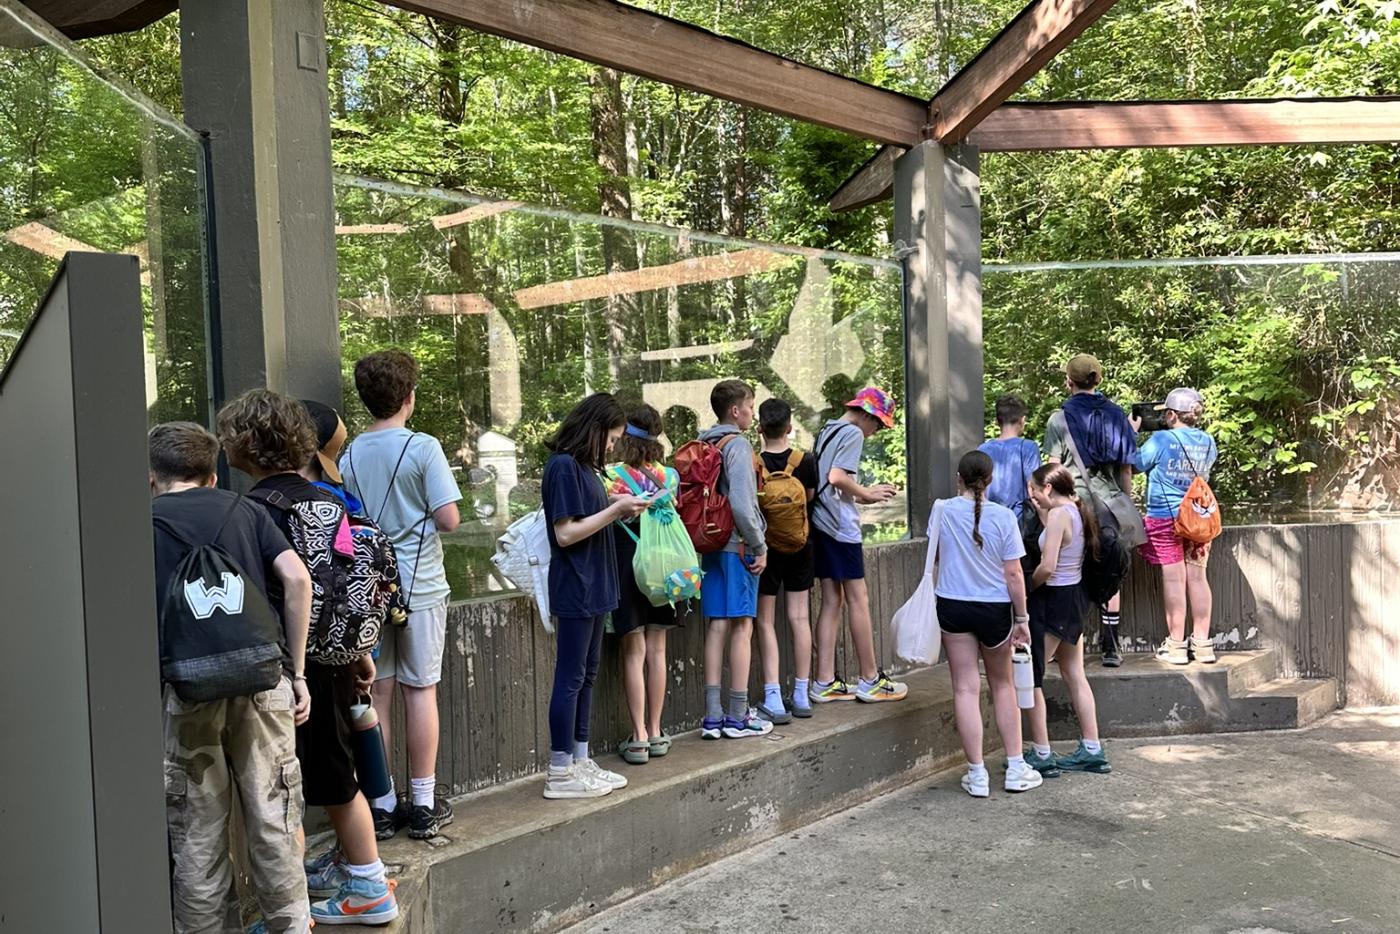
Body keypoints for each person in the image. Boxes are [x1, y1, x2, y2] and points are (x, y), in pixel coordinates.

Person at [219, 392, 399, 926]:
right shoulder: (328, 500)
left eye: (229, 434)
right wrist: (358, 652)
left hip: (288, 672)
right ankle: (367, 882)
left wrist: (292, 672)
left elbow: (267, 594)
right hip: (337, 660)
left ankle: (293, 911)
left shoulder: (253, 510)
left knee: (283, 792)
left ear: (248, 444)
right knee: (337, 775)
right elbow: (346, 581)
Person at [149, 421, 314, 933]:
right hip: (263, 686)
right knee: (275, 824)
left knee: (197, 834)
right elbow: (297, 579)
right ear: (213, 471)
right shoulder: (246, 510)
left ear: (152, 474)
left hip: (185, 692)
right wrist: (299, 673)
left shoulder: (143, 521)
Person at [339, 350, 462, 840]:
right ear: (409, 397)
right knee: (420, 690)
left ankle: (382, 803)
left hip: (369, 591)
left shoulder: (347, 456)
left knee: (378, 693)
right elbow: (448, 519)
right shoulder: (423, 448)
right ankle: (424, 803)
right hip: (420, 588)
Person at [542, 393, 650, 797]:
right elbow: (566, 532)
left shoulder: (584, 468)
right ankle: (559, 771)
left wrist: (616, 503)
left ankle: (580, 759)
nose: (611, 446)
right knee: (570, 678)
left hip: (596, 583)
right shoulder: (563, 466)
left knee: (585, 675)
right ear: (595, 428)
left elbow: (587, 513)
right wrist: (615, 510)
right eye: (611, 437)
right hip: (576, 586)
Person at [934, 450, 1041, 797]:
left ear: (958, 479)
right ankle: (1015, 767)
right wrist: (1021, 618)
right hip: (993, 609)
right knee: (1003, 686)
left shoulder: (942, 510)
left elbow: (937, 556)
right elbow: (1013, 574)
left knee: (965, 688)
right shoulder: (1003, 517)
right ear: (991, 480)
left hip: (952, 604)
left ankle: (977, 775)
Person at [809, 387, 908, 704]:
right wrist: (867, 493)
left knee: (831, 601)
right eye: (878, 424)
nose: (876, 432)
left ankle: (824, 680)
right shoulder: (852, 433)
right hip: (840, 526)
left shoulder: (829, 428)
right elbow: (837, 477)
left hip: (820, 523)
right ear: (866, 414)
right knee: (859, 598)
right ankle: (870, 678)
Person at [1044, 353, 1142, 667]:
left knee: (1072, 573)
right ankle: (1111, 646)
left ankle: (1065, 645)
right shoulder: (1117, 416)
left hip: (1074, 506)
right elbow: (1126, 469)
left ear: (1068, 381)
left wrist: (1049, 511)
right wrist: (1124, 504)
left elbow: (1054, 468)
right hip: (1111, 506)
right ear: (1098, 380)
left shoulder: (1058, 419)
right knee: (1110, 567)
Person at [605, 403, 683, 765]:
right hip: (664, 569)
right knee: (658, 651)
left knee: (633, 653)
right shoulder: (669, 477)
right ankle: (656, 730)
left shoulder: (610, 477)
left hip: (626, 566)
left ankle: (636, 737)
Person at [1022, 463, 1111, 777]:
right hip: (1075, 598)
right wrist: (1044, 516)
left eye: (1033, 488)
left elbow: (1047, 567)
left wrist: (1025, 590)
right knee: (1075, 673)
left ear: (1047, 488)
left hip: (1054, 600)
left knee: (1030, 675)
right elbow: (1063, 541)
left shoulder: (1060, 515)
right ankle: (1091, 748)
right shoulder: (1075, 510)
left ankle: (1042, 753)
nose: (1030, 493)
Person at [698, 379, 774, 739]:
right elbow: (744, 504)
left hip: (709, 544)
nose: (752, 413)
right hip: (738, 546)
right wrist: (758, 545)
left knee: (716, 625)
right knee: (742, 626)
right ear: (735, 410)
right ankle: (738, 715)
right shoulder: (738, 446)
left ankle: (712, 716)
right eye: (750, 406)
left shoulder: (703, 441)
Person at [1131, 388, 1220, 665]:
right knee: (1198, 578)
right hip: (1199, 516)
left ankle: (1177, 645)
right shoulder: (1208, 441)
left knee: (1174, 579)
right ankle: (1203, 644)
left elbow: (1134, 465)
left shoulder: (1160, 439)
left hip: (1165, 516)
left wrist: (1132, 433)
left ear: (1170, 415)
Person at [754, 398, 819, 723]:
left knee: (765, 621)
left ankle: (773, 697)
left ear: (760, 428)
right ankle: (801, 693)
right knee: (799, 618)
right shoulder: (805, 460)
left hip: (767, 550)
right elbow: (808, 499)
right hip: (801, 545)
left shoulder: (755, 463)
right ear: (790, 427)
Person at [979, 394, 1042, 519]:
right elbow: (1034, 489)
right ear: (1022, 420)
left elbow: (978, 491)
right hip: (1017, 521)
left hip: (989, 519)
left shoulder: (982, 449)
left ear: (997, 421)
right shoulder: (1028, 448)